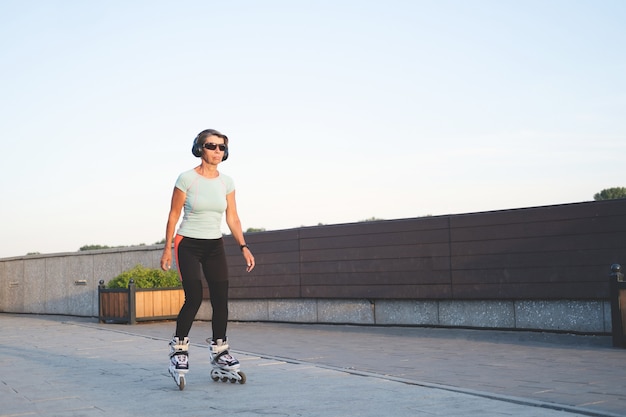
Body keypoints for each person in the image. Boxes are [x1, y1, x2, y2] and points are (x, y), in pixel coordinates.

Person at [160, 128, 255, 384]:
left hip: (214, 244)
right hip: (187, 243)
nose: (217, 151)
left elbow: (232, 217)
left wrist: (243, 246)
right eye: (211, 146)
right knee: (193, 297)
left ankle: (220, 352)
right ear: (200, 148)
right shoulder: (186, 179)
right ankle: (179, 350)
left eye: (221, 147)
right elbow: (173, 215)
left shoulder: (228, 182)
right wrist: (168, 248)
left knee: (220, 299)